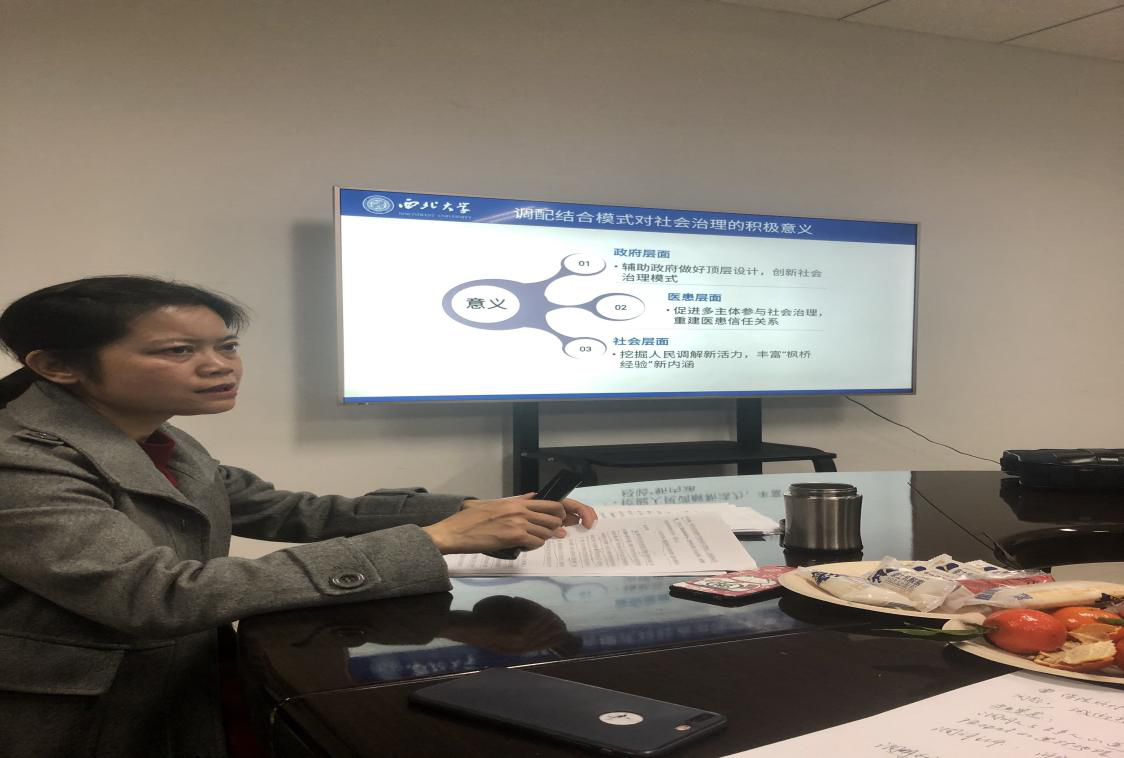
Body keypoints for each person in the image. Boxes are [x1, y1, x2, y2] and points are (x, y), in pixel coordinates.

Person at [0, 275, 596, 758]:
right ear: (57, 365)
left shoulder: (159, 436)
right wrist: (432, 540)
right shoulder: (20, 460)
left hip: (180, 685)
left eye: (227, 346)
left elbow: (288, 511)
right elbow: (158, 597)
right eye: (178, 351)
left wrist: (465, 511)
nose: (220, 365)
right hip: (78, 714)